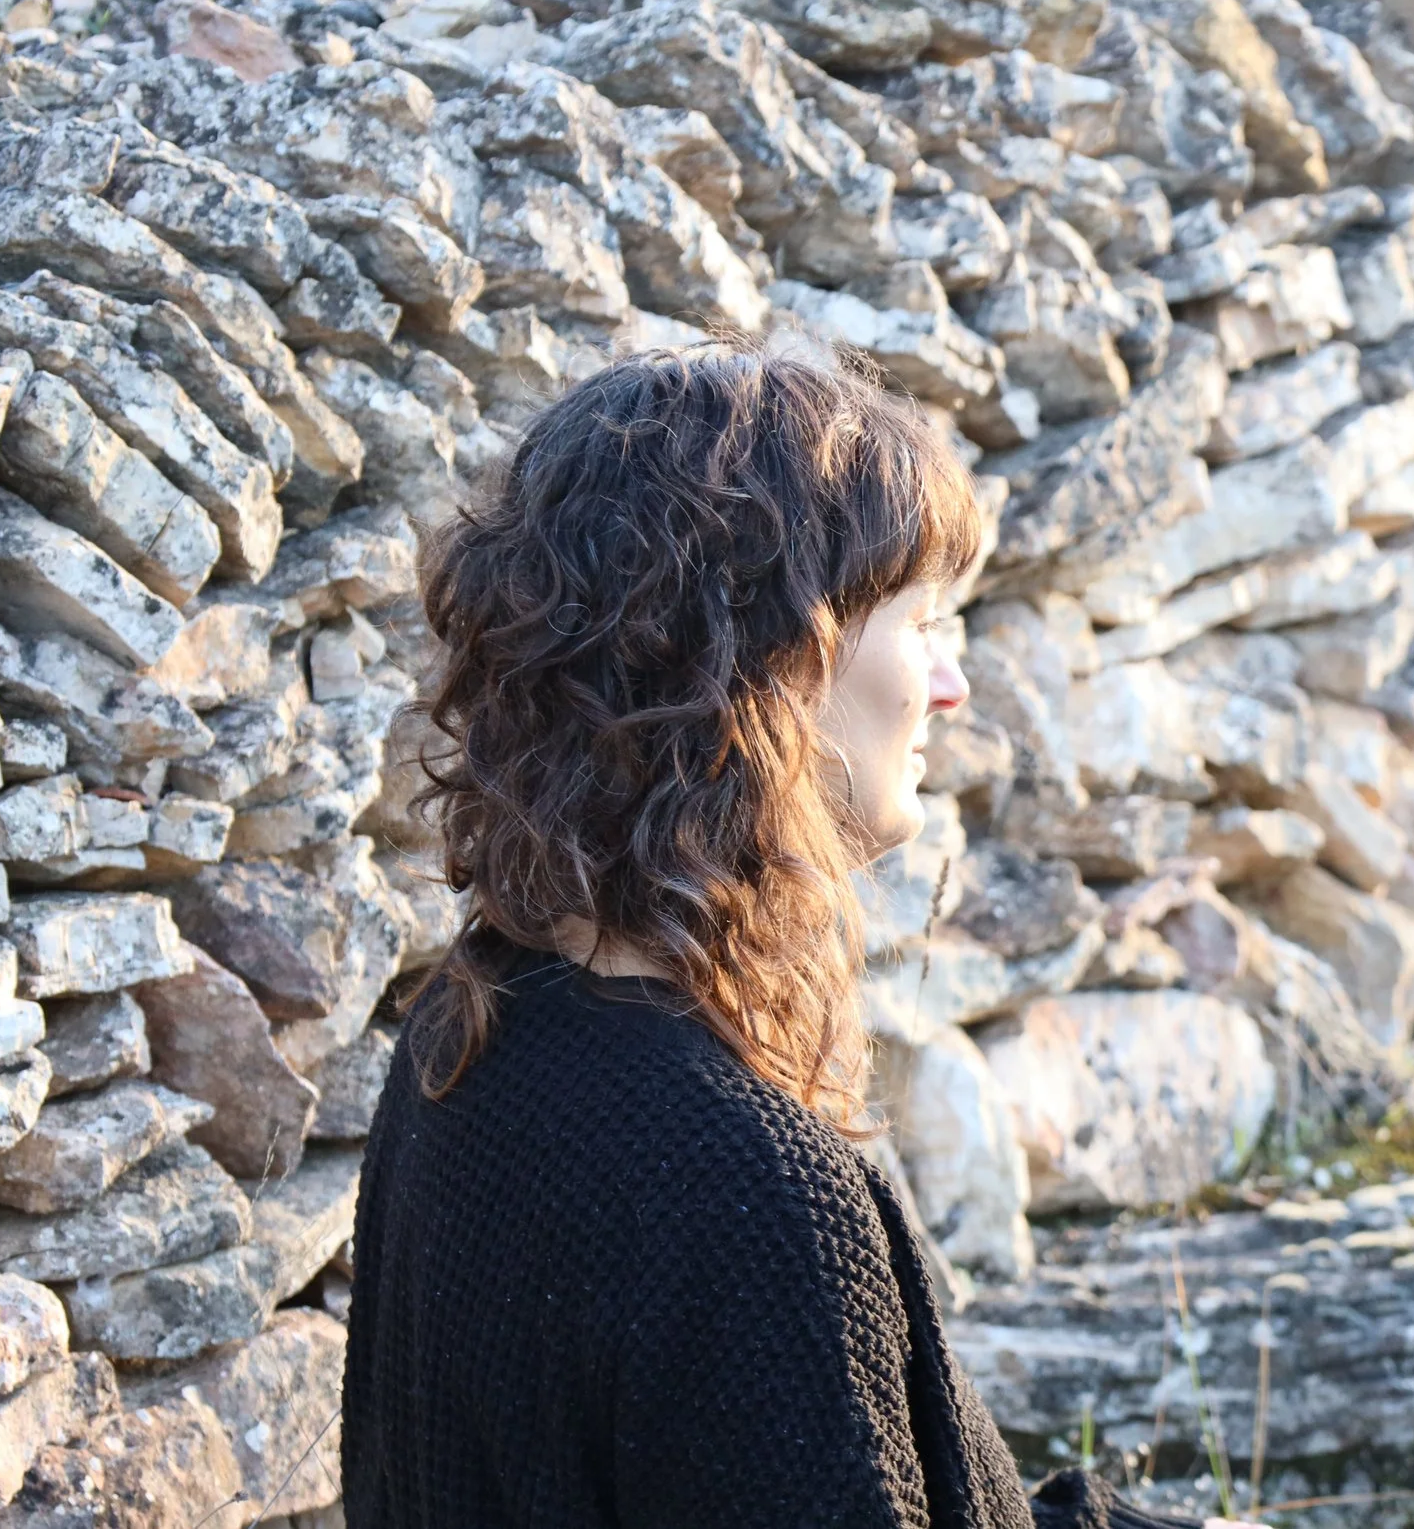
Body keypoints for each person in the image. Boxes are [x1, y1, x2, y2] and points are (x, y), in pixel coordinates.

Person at [341, 346, 1251, 1529]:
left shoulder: (475, 1028)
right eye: (920, 622)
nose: (950, 687)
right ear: (766, 660)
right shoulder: (743, 1188)